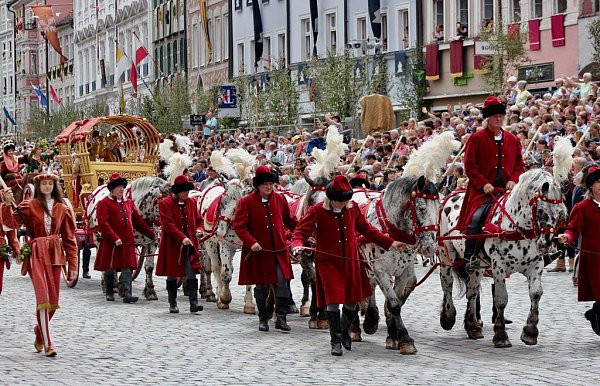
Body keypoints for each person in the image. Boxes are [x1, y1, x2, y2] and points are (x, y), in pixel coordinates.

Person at [290, 175, 405, 356]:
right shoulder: (317, 210)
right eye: (339, 202)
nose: (342, 205)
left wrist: (390, 243)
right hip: (328, 263)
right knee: (333, 302)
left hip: (351, 261)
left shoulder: (353, 209)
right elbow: (300, 231)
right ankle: (335, 340)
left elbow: (368, 229)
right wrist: (296, 244)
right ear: (330, 198)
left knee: (352, 303)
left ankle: (344, 331)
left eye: (345, 201)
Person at [458, 96, 525, 324]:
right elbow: (470, 166)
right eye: (495, 116)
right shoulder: (476, 139)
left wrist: (514, 180)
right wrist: (483, 183)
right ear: (487, 118)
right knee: (476, 219)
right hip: (482, 191)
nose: (499, 119)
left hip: (506, 191)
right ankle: (471, 255)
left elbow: (519, 165)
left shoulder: (512, 140)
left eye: (501, 116)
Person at [1, 172, 78, 357]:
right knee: (43, 298)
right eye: (43, 184)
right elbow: (8, 223)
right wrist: (5, 204)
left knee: (53, 301)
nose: (46, 187)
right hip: (36, 253)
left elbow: (69, 239)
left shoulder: (62, 208)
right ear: (38, 186)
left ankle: (39, 331)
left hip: (55, 255)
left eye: (49, 184)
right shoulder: (29, 205)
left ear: (54, 186)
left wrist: (73, 265)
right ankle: (48, 343)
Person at [233, 165, 298, 332]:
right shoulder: (245, 202)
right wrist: (251, 242)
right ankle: (263, 318)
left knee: (282, 282)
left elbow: (289, 220)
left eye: (271, 184)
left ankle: (281, 318)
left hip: (278, 250)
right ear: (258, 186)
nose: (269, 187)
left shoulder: (280, 199)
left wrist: (302, 233)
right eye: (265, 184)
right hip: (258, 251)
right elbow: (239, 226)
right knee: (261, 285)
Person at [93, 173, 156, 303]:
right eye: (118, 187)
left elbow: (138, 221)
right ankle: (110, 292)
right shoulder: (103, 203)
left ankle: (127, 294)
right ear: (112, 189)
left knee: (127, 267)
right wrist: (115, 238)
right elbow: (103, 224)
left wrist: (151, 234)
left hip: (127, 241)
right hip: (111, 242)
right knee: (110, 268)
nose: (122, 189)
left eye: (122, 187)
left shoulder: (128, 203)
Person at [558, 165, 600, 336]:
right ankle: (596, 314)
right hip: (594, 259)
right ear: (591, 185)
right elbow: (573, 229)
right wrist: (566, 237)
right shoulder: (582, 207)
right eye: (597, 182)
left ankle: (594, 313)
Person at [156, 175, 203, 314]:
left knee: (191, 273)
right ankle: (172, 303)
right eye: (184, 191)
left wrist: (199, 230)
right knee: (172, 274)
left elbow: (199, 220)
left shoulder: (192, 202)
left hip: (189, 245)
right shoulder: (165, 203)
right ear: (177, 191)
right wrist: (182, 237)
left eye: (187, 191)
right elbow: (168, 225)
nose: (186, 194)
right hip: (173, 245)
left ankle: (194, 303)